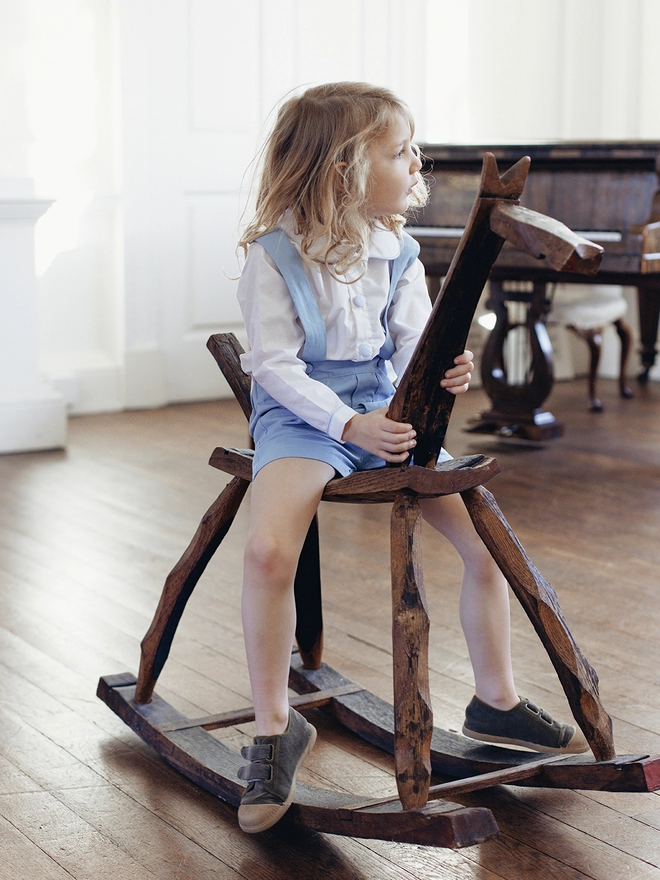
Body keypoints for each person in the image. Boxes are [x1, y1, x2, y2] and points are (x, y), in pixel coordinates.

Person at [234, 82, 588, 835]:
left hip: (390, 413)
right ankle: (272, 729)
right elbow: (276, 368)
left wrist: (440, 373)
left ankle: (494, 699)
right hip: (307, 417)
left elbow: (410, 348)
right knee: (267, 552)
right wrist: (349, 424)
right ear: (342, 169)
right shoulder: (274, 256)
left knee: (483, 545)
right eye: (399, 151)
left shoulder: (398, 250)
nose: (417, 160)